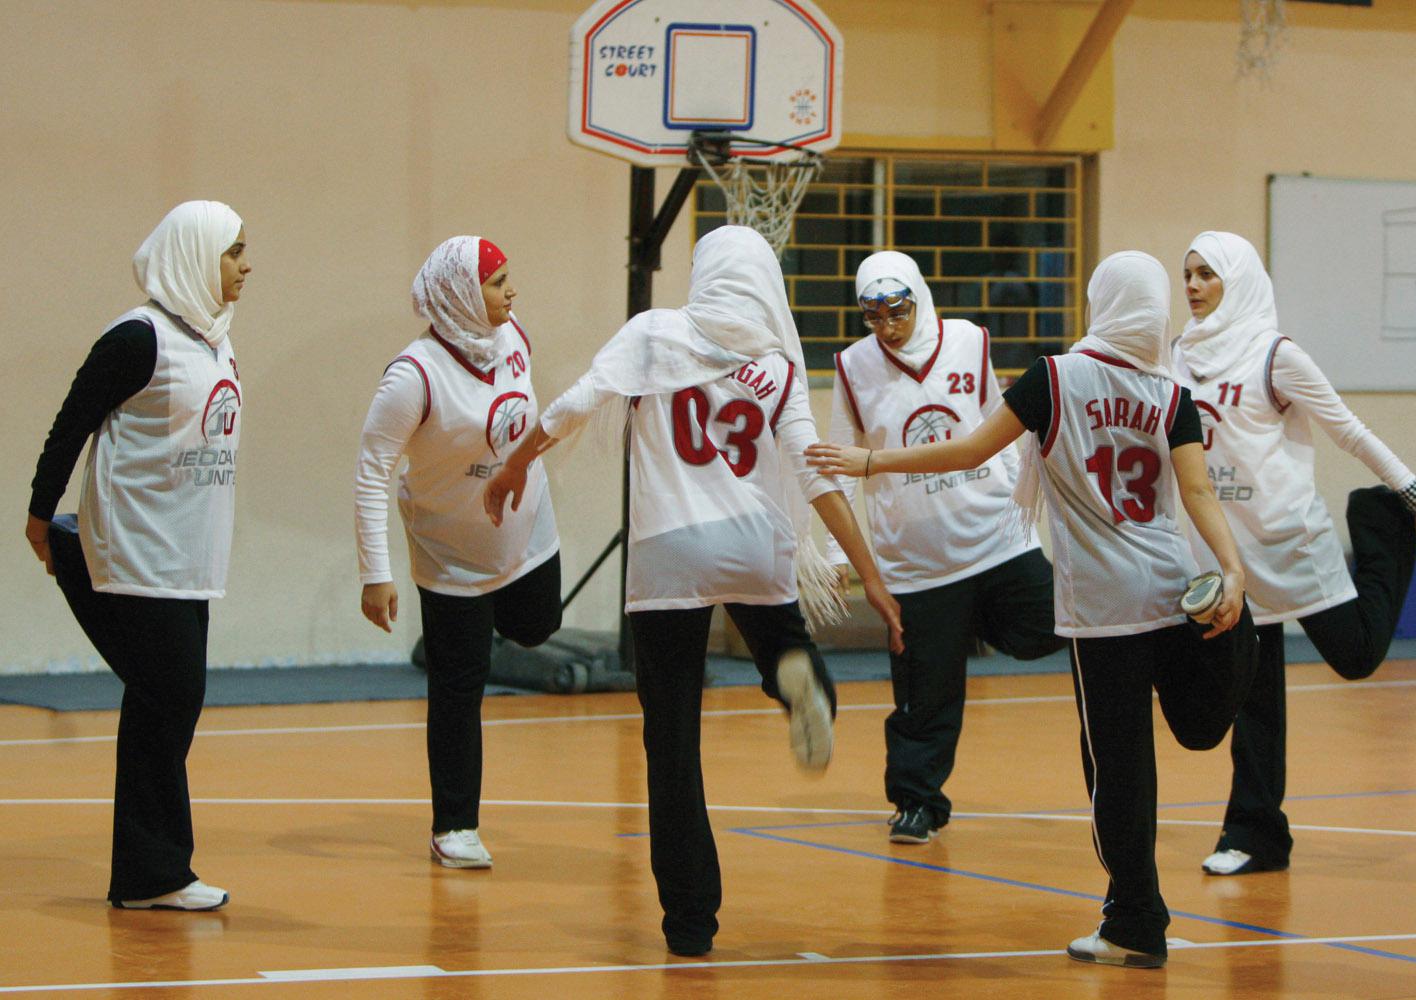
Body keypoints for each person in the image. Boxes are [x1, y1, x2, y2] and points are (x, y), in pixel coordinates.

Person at [807, 251, 1259, 969]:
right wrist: (1232, 570)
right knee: (1197, 729)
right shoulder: (1173, 394)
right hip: (1176, 588)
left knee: (1119, 768)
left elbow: (967, 452)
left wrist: (871, 463)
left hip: (1105, 608)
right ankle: (1233, 659)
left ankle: (1134, 921)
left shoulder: (1054, 377)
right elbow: (1199, 495)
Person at [482, 225, 904, 958]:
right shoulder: (775, 361)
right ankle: (795, 680)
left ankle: (690, 920)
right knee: (783, 646)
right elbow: (813, 469)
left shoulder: (655, 334)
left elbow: (574, 404)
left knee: (670, 743)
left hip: (668, 552)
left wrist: (515, 465)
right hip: (751, 542)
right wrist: (868, 574)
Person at [1173, 231, 1416, 877]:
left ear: (1239, 281)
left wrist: (1412, 495)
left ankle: (1380, 521)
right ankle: (1255, 835)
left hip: (1288, 539)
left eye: (1207, 275)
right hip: (1227, 550)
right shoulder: (1178, 356)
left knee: (1356, 659)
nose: (1191, 286)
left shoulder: (1277, 355)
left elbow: (1349, 429)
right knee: (1253, 699)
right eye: (1187, 274)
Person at [24, 201, 250, 911]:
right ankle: (154, 875)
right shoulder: (137, 337)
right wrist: (40, 514)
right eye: (234, 251)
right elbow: (72, 422)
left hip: (189, 553)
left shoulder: (215, 339)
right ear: (194, 252)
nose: (246, 266)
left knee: (168, 702)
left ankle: (152, 872)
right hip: (137, 550)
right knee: (169, 697)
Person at [824, 251, 1064, 845]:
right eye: (872, 315)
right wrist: (834, 558)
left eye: (896, 310)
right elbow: (836, 466)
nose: (886, 325)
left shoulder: (968, 341)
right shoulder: (853, 368)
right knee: (923, 697)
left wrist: (1025, 512)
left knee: (1056, 625)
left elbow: (998, 427)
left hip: (996, 538)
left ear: (918, 296)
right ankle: (917, 802)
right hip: (916, 564)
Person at [355, 235, 562, 870]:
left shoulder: (514, 336)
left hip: (527, 529)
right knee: (458, 686)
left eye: (507, 279)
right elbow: (371, 470)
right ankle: (455, 826)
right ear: (462, 296)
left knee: (538, 626)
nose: (511, 292)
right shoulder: (412, 376)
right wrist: (375, 573)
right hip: (450, 550)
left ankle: (484, 618)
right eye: (498, 283)